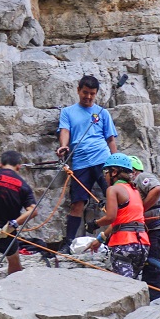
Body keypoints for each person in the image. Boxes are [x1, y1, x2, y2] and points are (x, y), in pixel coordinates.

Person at [55, 75, 119, 250]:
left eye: (92, 93)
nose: (88, 97)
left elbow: (110, 139)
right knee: (77, 203)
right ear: (78, 90)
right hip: (80, 162)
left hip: (103, 160)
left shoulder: (102, 112)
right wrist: (63, 146)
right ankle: (68, 242)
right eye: (85, 92)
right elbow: (65, 131)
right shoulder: (68, 112)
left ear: (96, 93)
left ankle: (116, 237)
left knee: (115, 199)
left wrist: (117, 164)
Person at [97, 153, 150, 280]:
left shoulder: (113, 189)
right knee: (133, 282)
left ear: (114, 172)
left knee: (125, 285)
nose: (104, 176)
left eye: (106, 171)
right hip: (142, 244)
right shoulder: (135, 190)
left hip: (123, 244)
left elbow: (110, 217)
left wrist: (95, 223)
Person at [131, 156, 160, 299]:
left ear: (133, 170)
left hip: (158, 233)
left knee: (154, 274)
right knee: (155, 272)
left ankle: (159, 308)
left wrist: (139, 211)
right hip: (157, 234)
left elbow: (156, 189)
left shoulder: (142, 177)